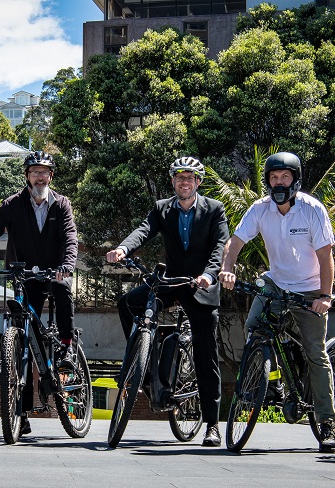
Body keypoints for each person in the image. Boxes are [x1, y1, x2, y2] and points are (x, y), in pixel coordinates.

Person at [219, 151, 335, 453]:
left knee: (315, 353)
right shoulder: (260, 209)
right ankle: (269, 380)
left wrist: (324, 297)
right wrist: (227, 269)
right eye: (274, 177)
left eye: (285, 176)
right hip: (276, 282)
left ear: (295, 180)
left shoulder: (313, 210)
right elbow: (234, 243)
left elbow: (326, 258)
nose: (279, 182)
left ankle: (328, 423)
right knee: (253, 328)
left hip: (310, 290)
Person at [106, 156, 229, 447]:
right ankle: (144, 365)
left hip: (200, 285)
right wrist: (123, 248)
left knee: (205, 353)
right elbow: (144, 230)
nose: (184, 182)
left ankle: (212, 424)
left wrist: (210, 275)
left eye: (190, 178)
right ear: (173, 181)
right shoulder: (163, 208)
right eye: (179, 177)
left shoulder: (214, 209)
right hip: (170, 281)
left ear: (198, 183)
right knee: (128, 304)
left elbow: (220, 247)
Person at [0, 150, 79, 436]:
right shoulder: (12, 205)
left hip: (53, 272)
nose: (39, 176)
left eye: (44, 172)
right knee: (22, 340)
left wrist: (66, 265)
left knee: (63, 292)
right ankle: (21, 412)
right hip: (24, 276)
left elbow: (70, 238)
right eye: (34, 171)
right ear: (27, 176)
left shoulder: (61, 204)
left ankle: (65, 345)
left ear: (50, 176)